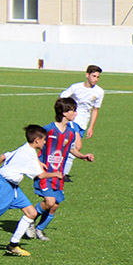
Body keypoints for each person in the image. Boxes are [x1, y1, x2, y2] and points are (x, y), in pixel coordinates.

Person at [0, 125, 62, 256]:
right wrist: (56, 174)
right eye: (44, 140)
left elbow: (3, 156)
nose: (45, 142)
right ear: (37, 141)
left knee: (31, 213)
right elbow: (41, 175)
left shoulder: (26, 148)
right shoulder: (29, 155)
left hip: (13, 187)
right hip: (2, 187)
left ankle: (13, 246)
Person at [26, 98, 94, 241]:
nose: (75, 113)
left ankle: (39, 229)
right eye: (73, 110)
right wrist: (38, 162)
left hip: (58, 175)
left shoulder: (70, 132)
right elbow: (31, 147)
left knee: (55, 205)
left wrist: (83, 156)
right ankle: (29, 219)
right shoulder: (48, 129)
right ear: (64, 113)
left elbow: (70, 149)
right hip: (45, 173)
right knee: (49, 202)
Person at [59, 65, 104, 181]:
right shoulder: (76, 87)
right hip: (73, 121)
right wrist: (66, 112)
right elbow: (61, 97)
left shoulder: (99, 92)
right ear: (87, 75)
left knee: (70, 147)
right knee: (77, 145)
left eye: (98, 77)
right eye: (94, 76)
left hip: (84, 122)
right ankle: (62, 173)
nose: (95, 79)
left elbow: (95, 110)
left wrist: (91, 127)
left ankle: (63, 173)